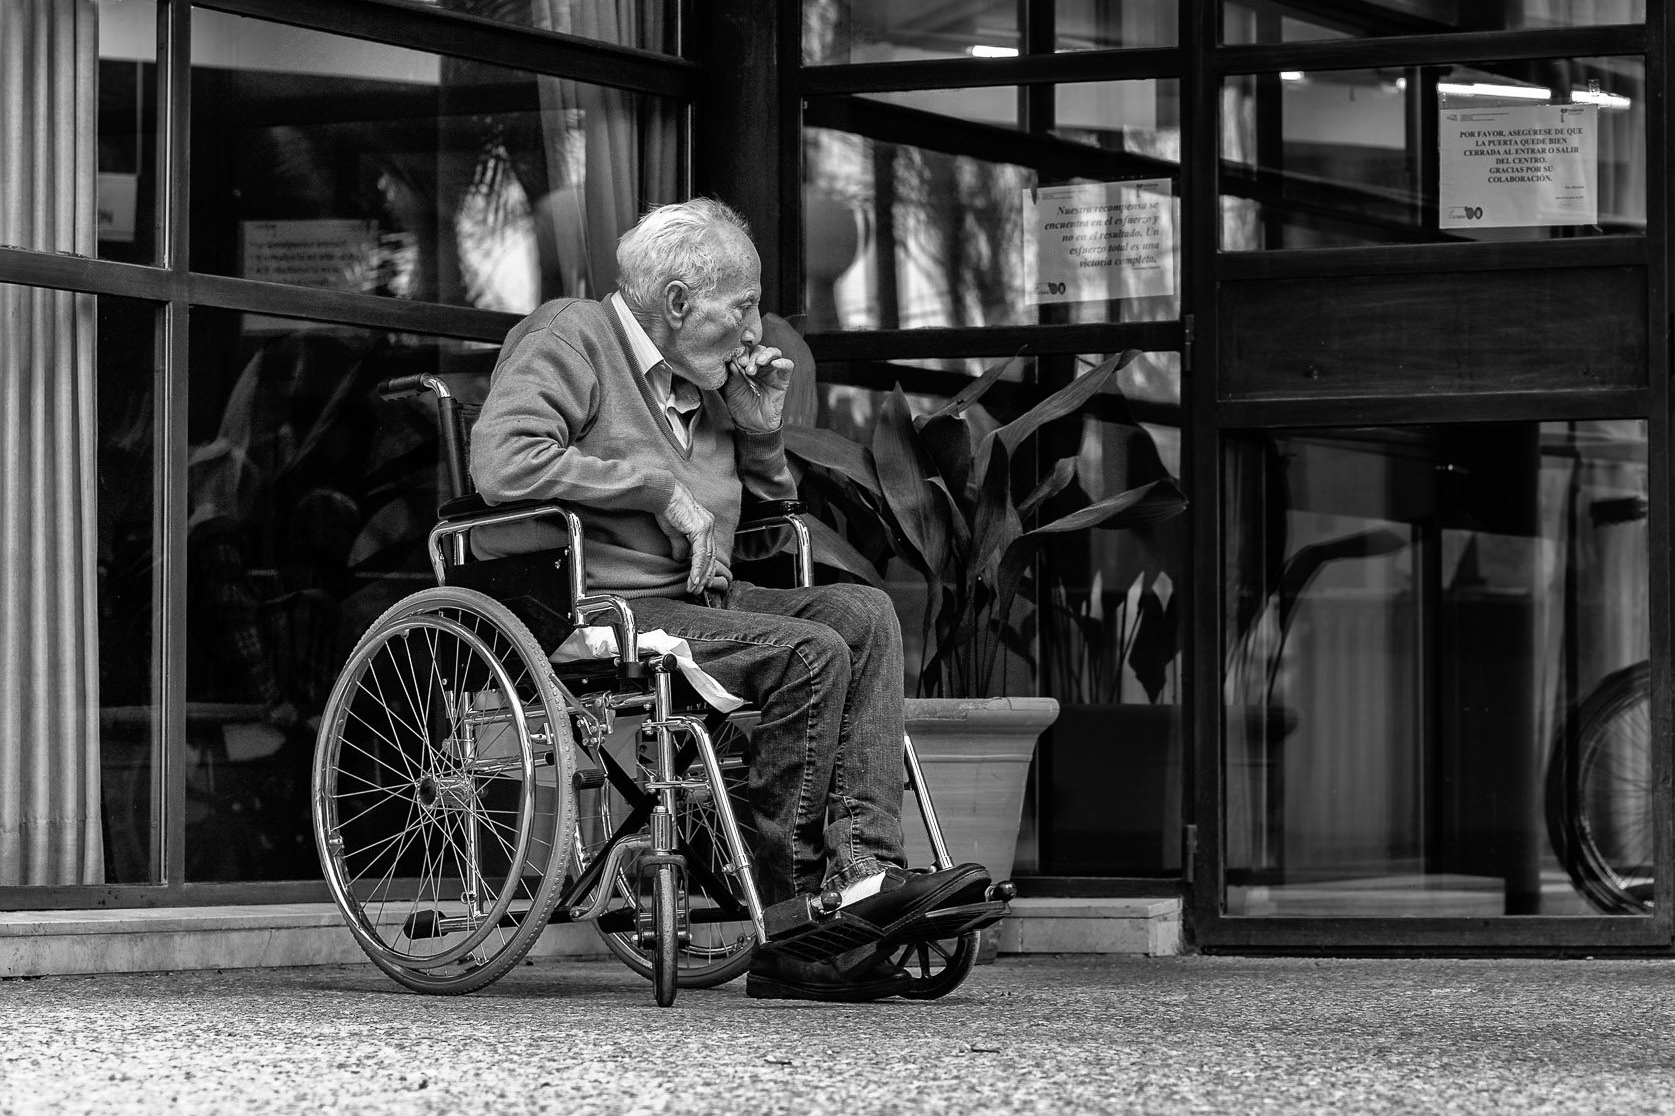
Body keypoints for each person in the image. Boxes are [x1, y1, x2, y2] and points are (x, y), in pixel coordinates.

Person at [468, 197, 991, 1001]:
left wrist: (758, 429)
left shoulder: (704, 382)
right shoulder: (569, 337)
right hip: (596, 606)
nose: (758, 331)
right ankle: (794, 917)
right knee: (808, 652)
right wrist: (654, 491)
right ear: (677, 303)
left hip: (696, 602)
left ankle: (862, 876)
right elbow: (503, 466)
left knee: (863, 613)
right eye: (743, 306)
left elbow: (759, 524)